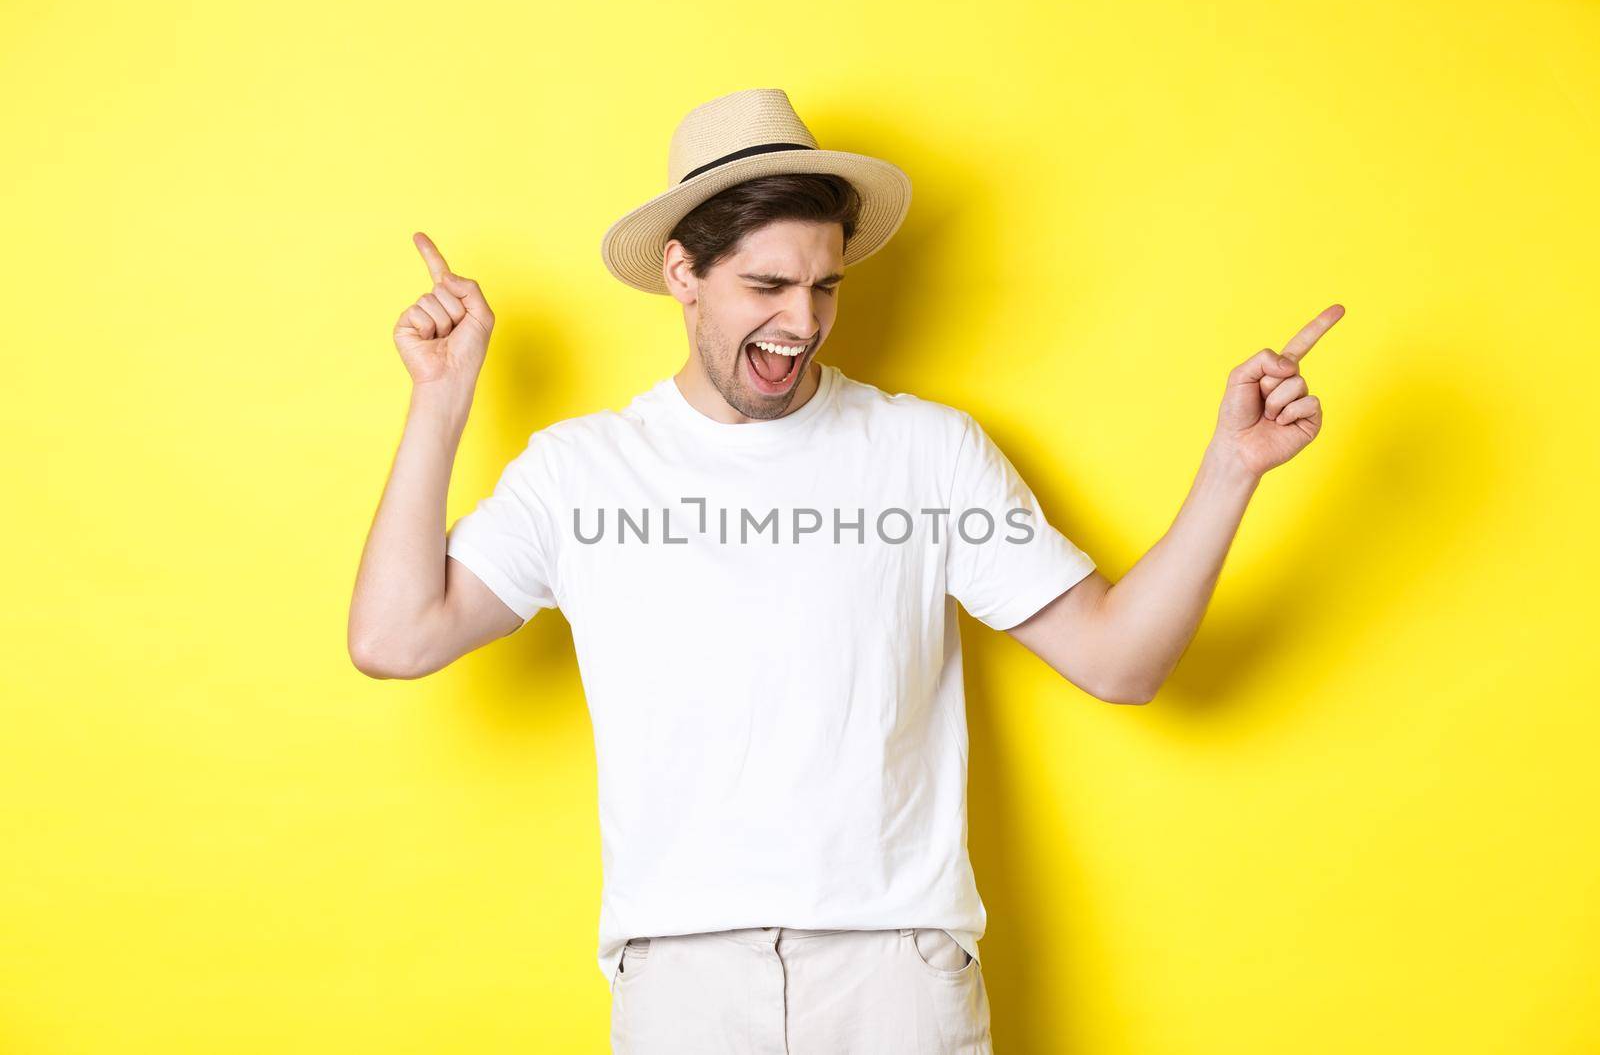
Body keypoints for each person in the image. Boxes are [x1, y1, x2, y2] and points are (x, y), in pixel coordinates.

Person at [347, 88, 1342, 1054]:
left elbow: (1120, 660)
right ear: (683, 271)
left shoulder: (926, 450)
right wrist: (442, 397)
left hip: (894, 973)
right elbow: (393, 638)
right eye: (767, 286)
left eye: (824, 285)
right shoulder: (580, 471)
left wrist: (1231, 468)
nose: (803, 319)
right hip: (681, 981)